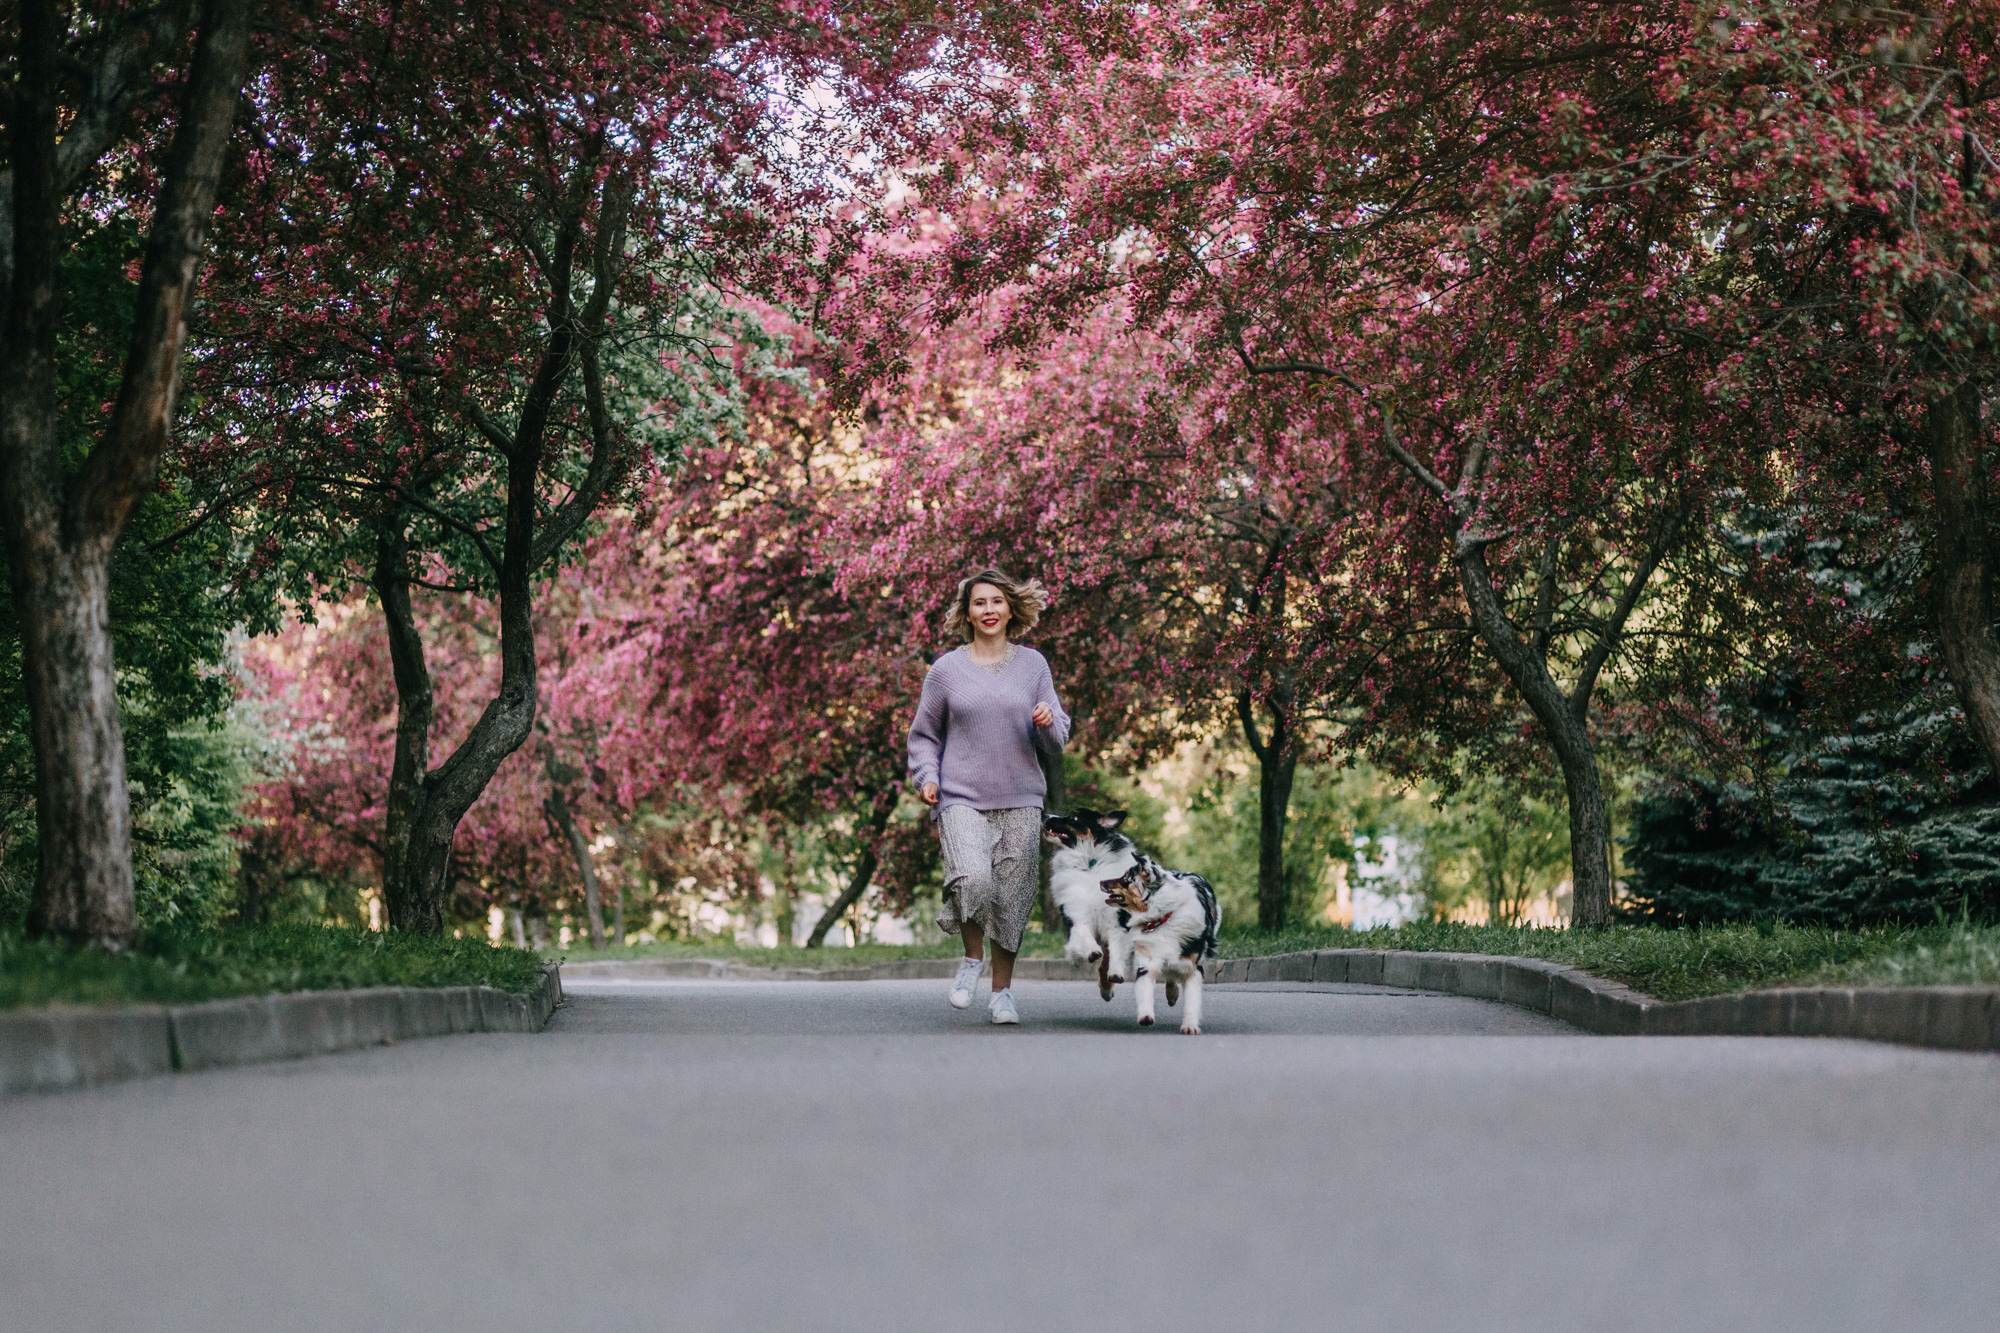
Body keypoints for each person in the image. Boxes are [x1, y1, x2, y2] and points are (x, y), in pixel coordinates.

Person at [906, 568, 1070, 1024]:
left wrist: (1047, 721)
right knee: (973, 878)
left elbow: (1057, 739)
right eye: (979, 603)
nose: (989, 610)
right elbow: (923, 736)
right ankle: (971, 960)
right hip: (960, 796)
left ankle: (1002, 994)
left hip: (1021, 796)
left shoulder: (1033, 665)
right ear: (967, 612)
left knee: (1012, 898)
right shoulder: (946, 671)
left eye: (996, 601)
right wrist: (927, 777)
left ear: (1010, 607)